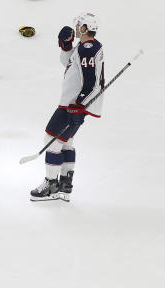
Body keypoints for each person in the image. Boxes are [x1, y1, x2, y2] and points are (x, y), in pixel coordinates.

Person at [30, 13, 104, 202]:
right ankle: (65, 185)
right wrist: (66, 45)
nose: (76, 28)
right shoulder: (82, 47)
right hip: (72, 103)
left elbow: (92, 81)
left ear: (85, 28)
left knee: (51, 138)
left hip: (72, 105)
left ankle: (51, 186)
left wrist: (79, 105)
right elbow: (68, 63)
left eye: (79, 26)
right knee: (66, 142)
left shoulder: (89, 48)